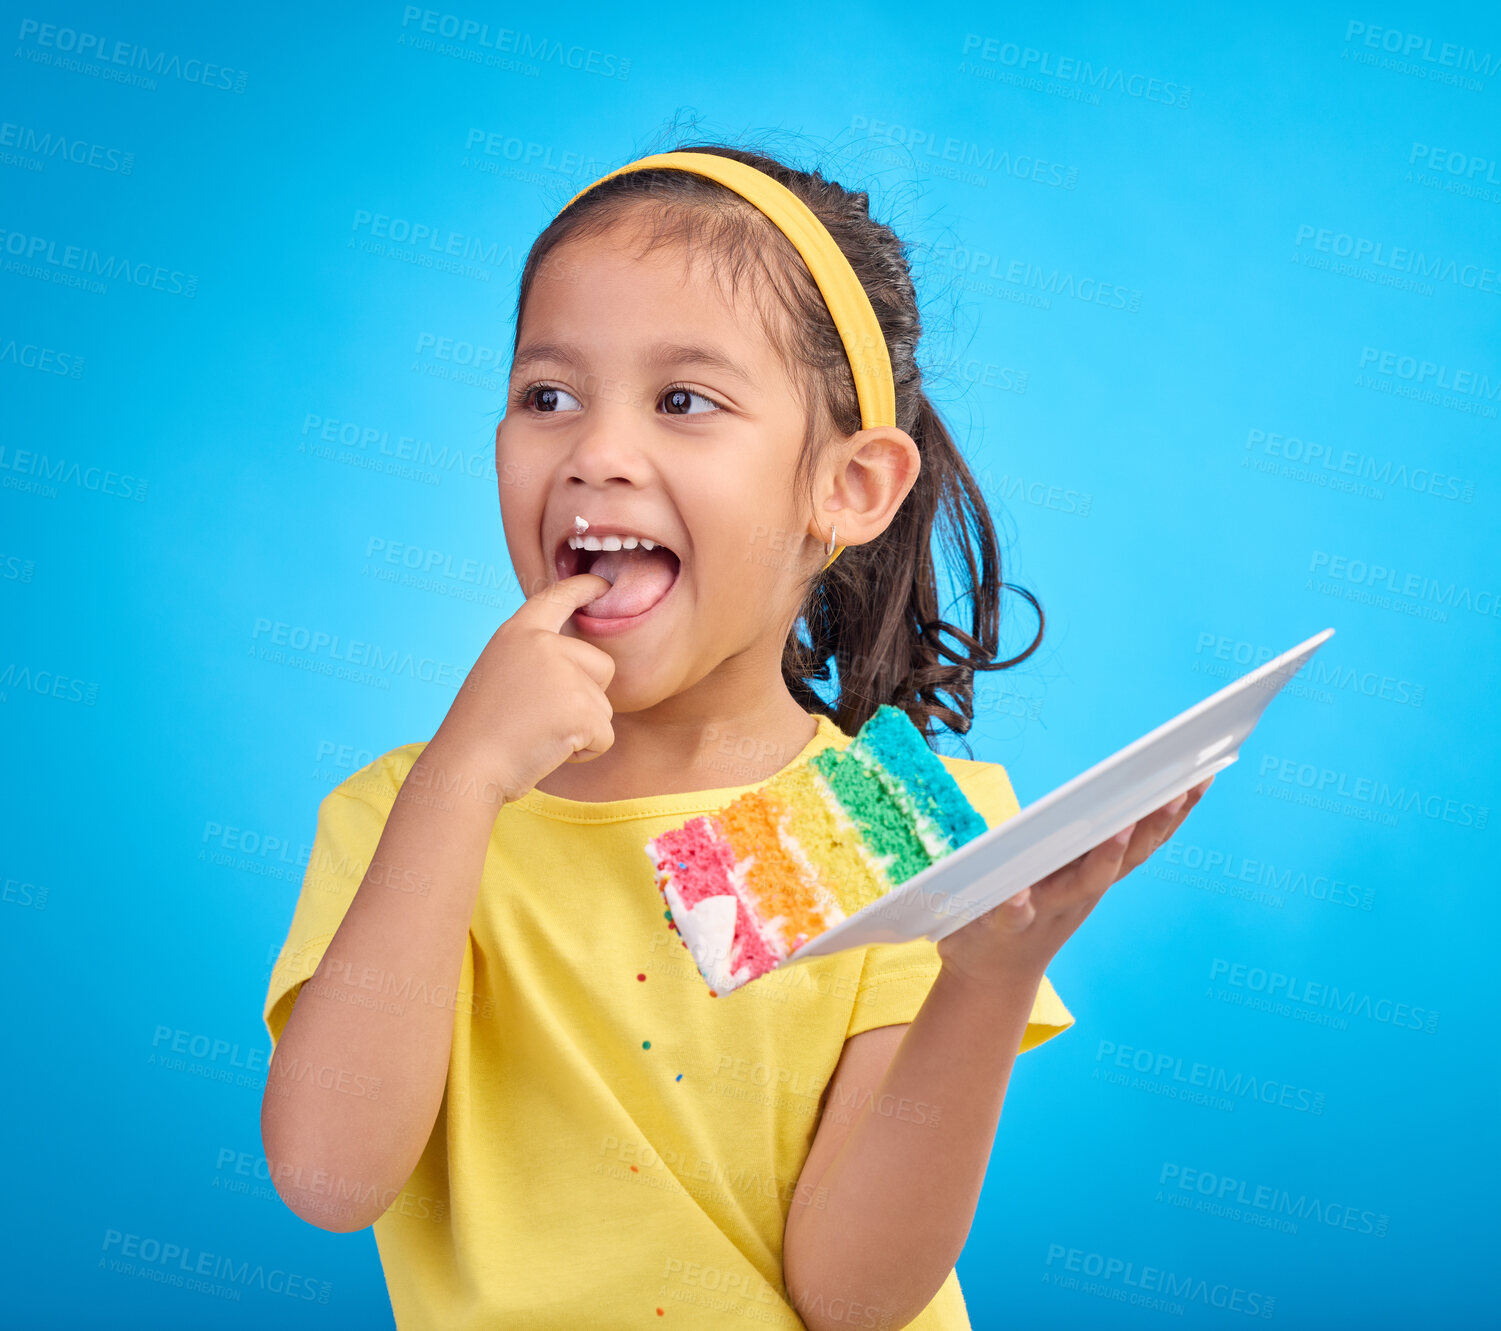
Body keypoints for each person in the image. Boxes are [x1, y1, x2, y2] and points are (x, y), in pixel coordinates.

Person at [260, 140, 1211, 1331]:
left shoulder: (891, 818)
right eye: (547, 394)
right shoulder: (409, 811)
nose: (595, 453)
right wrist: (458, 784)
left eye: (683, 401)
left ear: (851, 489)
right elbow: (332, 1179)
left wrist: (988, 978)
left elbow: (852, 1294)